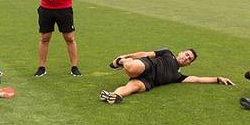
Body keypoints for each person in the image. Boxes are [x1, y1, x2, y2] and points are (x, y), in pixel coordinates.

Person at [100, 48, 235, 104]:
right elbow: (145, 53)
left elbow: (198, 79)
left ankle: (113, 95)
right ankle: (120, 61)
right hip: (147, 65)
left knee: (132, 88)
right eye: (186, 55)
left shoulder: (178, 76)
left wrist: (217, 79)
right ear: (180, 53)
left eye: (189, 59)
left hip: (148, 81)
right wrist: (127, 56)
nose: (186, 58)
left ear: (188, 64)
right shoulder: (167, 53)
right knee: (131, 67)